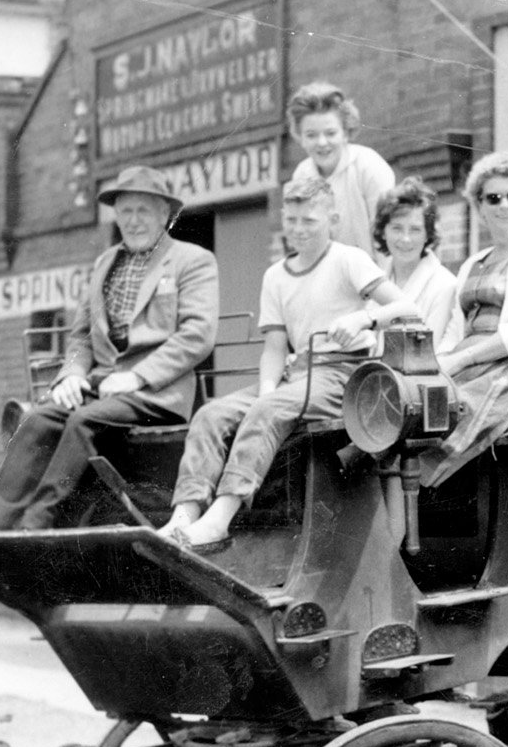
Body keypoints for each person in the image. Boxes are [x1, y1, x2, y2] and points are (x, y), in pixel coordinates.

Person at [159, 176, 421, 551]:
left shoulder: (348, 260)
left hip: (344, 375)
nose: (299, 230)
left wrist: (364, 319)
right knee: (210, 415)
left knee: (268, 408)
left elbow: (408, 307)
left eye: (309, 222)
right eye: (292, 220)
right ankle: (184, 515)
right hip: (295, 376)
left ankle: (218, 520)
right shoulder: (276, 276)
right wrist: (266, 390)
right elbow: (275, 347)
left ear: (332, 219)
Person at [0, 166, 218, 530]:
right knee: (40, 418)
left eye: (143, 211)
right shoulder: (105, 263)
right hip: (102, 388)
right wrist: (71, 375)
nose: (132, 221)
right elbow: (81, 336)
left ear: (165, 215)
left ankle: (37, 522)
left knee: (82, 420)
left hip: (157, 394)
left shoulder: (192, 261)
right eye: (125, 212)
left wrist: (136, 378)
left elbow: (198, 334)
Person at [417, 152, 508, 487]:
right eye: (493, 198)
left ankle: (412, 496)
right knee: (415, 409)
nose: (504, 205)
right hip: (465, 369)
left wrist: (461, 360)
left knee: (446, 422)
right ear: (479, 208)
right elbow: (456, 326)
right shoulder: (472, 263)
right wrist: (440, 361)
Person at [288, 81, 395, 256]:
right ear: (300, 137)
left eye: (330, 133)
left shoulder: (369, 166)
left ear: (345, 132)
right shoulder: (302, 175)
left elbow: (387, 238)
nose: (322, 143)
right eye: (311, 135)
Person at [372, 177, 457, 345]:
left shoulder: (445, 286)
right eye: (397, 228)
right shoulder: (375, 281)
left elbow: (430, 351)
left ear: (428, 234)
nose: (405, 239)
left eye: (415, 229)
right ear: (383, 231)